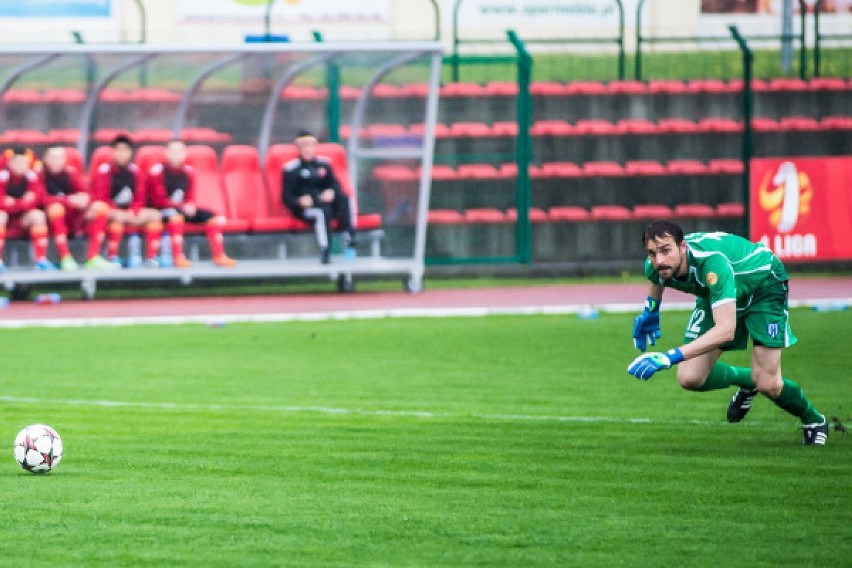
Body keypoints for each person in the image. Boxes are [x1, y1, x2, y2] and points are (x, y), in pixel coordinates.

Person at [627, 220, 828, 446]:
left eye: (666, 250)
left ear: (682, 246)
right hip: (720, 292)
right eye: (652, 253)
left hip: (763, 288)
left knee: (769, 384)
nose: (659, 260)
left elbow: (725, 330)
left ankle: (814, 420)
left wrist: (669, 356)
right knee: (690, 377)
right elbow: (657, 279)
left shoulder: (712, 265)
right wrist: (651, 311)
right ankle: (748, 382)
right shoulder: (655, 265)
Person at [146, 140, 236, 268]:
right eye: (173, 151)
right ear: (166, 153)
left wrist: (190, 205)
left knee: (212, 217)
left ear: (184, 154)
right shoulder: (157, 172)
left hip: (181, 209)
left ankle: (219, 255)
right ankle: (178, 257)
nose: (176, 154)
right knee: (175, 216)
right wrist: (182, 207)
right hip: (161, 211)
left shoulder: (189, 172)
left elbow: (190, 196)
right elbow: (159, 200)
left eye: (180, 151)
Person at [282, 131, 355, 264]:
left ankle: (349, 238)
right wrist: (299, 201)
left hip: (325, 203)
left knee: (345, 199)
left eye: (310, 145)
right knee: (321, 213)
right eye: (303, 146)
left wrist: (331, 192)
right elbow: (286, 197)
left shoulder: (324, 164)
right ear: (298, 148)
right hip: (306, 209)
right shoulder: (291, 169)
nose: (307, 149)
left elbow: (335, 185)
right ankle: (325, 249)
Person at [39, 145, 117, 270]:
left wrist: (85, 199)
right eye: (52, 157)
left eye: (59, 158)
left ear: (64, 160)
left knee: (100, 208)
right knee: (56, 208)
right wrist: (67, 200)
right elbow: (40, 199)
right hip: (50, 220)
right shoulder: (39, 175)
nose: (56, 161)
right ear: (45, 159)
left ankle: (93, 257)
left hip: (75, 217)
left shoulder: (71, 173)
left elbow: (88, 193)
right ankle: (65, 257)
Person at [90, 134, 162, 267]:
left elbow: (140, 197)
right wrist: (118, 212)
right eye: (119, 150)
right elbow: (101, 198)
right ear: (113, 152)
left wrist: (134, 211)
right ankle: (111, 257)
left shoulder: (136, 172)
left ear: (130, 152)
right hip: (110, 211)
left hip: (129, 212)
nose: (122, 154)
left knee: (154, 215)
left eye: (125, 150)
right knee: (106, 211)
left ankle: (151, 258)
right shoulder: (104, 171)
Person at [0, 147, 53, 271]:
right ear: (10, 163)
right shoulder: (2, 176)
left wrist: (13, 203)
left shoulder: (32, 177)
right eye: (17, 162)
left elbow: (38, 199)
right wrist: (22, 202)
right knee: (0, 216)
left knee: (38, 215)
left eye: (24, 163)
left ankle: (41, 259)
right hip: (6, 219)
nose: (20, 166)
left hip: (22, 220)